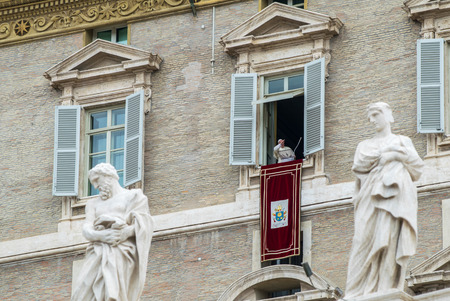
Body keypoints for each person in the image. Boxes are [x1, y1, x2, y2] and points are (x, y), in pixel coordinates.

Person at [345, 102, 423, 298]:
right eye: (370, 116)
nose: (372, 120)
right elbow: (358, 176)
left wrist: (395, 154)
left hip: (396, 199)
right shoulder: (363, 146)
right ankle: (354, 292)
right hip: (368, 199)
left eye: (376, 114)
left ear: (388, 115)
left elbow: (417, 168)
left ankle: (386, 287)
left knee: (389, 240)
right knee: (361, 239)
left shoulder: (402, 141)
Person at [72, 163, 154, 301]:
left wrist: (125, 233)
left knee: (115, 292)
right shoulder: (92, 204)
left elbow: (145, 224)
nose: (96, 187)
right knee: (82, 291)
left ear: (108, 176)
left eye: (97, 180)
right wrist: (101, 236)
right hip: (97, 251)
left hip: (122, 251)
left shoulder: (133, 196)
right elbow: (86, 228)